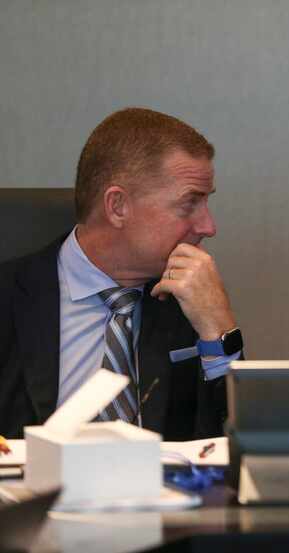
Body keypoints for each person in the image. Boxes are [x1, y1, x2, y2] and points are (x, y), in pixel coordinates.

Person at [0, 107, 243, 440]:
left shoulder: (192, 299)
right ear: (118, 206)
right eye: (190, 203)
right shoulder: (10, 296)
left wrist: (220, 333)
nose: (208, 226)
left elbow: (240, 446)